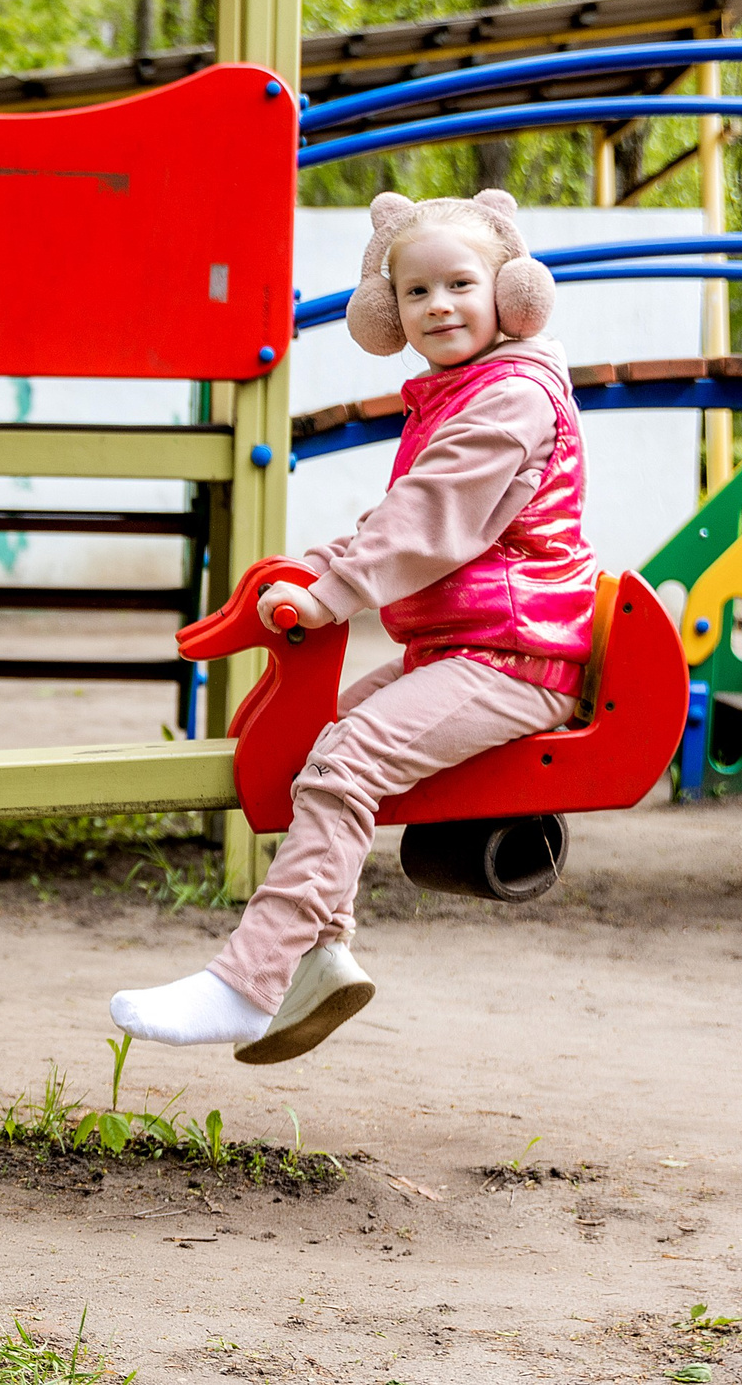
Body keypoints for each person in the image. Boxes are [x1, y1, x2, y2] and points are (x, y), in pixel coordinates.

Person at [111, 189, 598, 1064]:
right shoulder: (464, 392)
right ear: (389, 311)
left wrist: (333, 591)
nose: (438, 306)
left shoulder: (511, 398)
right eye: (416, 293)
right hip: (472, 647)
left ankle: (245, 983)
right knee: (321, 751)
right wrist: (317, 563)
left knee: (348, 760)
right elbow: (404, 516)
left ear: (511, 294)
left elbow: (429, 525)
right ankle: (321, 956)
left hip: (513, 656)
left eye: (460, 284)